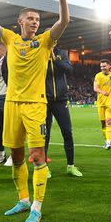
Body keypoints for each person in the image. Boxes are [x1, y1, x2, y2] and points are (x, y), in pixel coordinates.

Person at [0, 0, 70, 222]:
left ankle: (37, 206)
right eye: (30, 19)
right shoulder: (10, 39)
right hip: (11, 104)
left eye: (37, 19)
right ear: (20, 22)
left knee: (36, 156)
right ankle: (23, 199)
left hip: (36, 105)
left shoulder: (45, 42)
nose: (35, 22)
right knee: (16, 157)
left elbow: (63, 22)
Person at [44, 47, 82, 176]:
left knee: (67, 132)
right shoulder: (38, 52)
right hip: (44, 100)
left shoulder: (62, 53)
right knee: (45, 134)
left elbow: (69, 70)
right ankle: (44, 167)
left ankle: (70, 166)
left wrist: (54, 58)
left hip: (61, 100)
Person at [94, 60, 111, 150]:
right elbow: (95, 88)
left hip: (110, 103)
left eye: (104, 66)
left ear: (109, 66)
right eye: (101, 66)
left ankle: (108, 142)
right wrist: (103, 92)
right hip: (100, 103)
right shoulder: (98, 75)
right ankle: (106, 141)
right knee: (103, 123)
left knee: (109, 122)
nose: (102, 68)